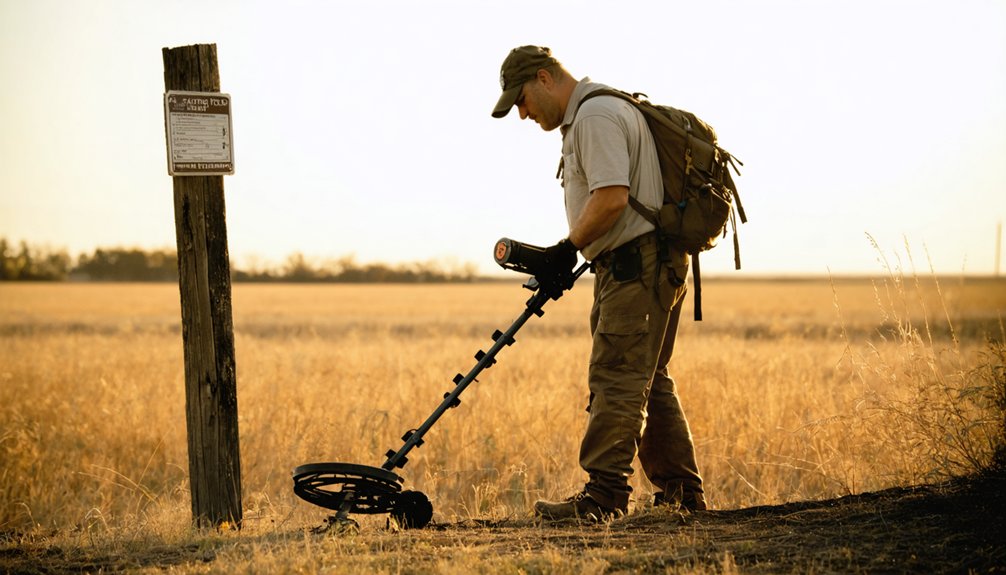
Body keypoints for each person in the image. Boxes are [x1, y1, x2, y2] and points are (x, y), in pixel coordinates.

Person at [491, 45, 707, 520]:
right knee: (646, 377)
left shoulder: (594, 116)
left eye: (522, 100)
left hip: (637, 266)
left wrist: (565, 250)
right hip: (635, 263)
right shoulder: (596, 113)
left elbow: (611, 198)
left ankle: (603, 498)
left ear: (545, 78)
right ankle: (681, 495)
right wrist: (573, 253)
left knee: (616, 376)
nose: (523, 114)